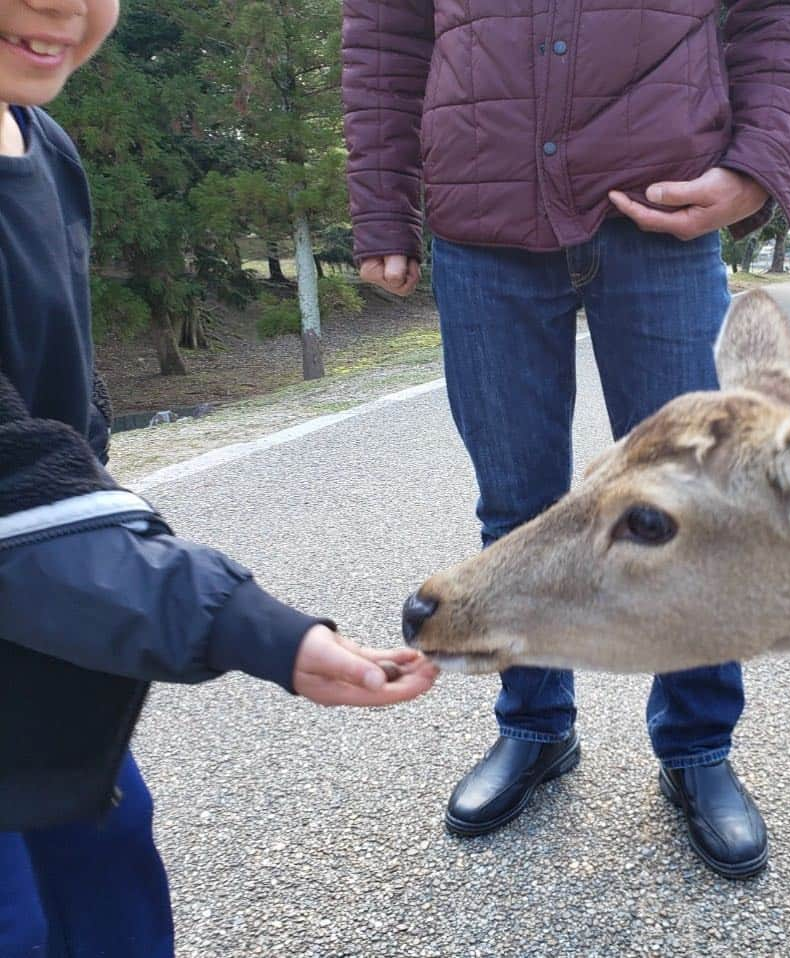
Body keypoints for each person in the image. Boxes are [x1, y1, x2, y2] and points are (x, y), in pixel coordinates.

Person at [343, 0, 790, 879]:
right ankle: (535, 729)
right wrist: (381, 204)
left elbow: (780, 11)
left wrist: (759, 160)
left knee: (692, 506)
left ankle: (696, 745)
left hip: (663, 210)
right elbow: (385, 30)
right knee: (516, 507)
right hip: (480, 221)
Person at [0, 3, 438, 955]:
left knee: (107, 858)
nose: (65, 7)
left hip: (38, 652)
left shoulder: (42, 141)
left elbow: (61, 419)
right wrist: (253, 628)